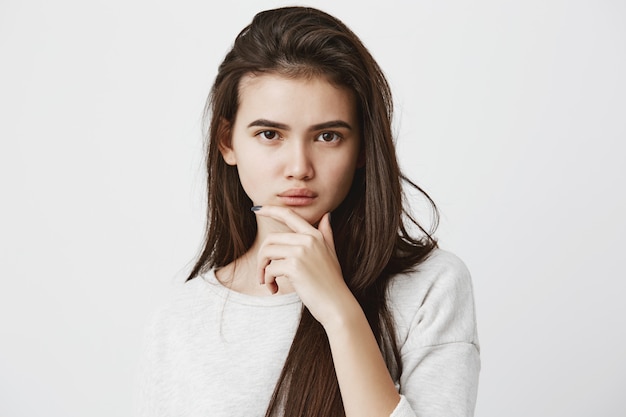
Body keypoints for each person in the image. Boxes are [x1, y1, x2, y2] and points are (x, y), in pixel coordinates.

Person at [137, 6, 480, 417]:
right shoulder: (182, 317)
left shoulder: (429, 287)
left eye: (328, 136)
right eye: (270, 134)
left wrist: (338, 310)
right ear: (227, 142)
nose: (299, 166)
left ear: (362, 148)